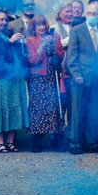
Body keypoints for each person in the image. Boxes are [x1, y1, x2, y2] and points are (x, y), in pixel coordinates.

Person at [66, 0, 98, 154]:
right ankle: (75, 143)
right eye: (89, 13)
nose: (92, 15)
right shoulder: (76, 30)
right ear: (86, 14)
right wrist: (76, 74)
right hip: (80, 76)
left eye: (95, 13)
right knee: (77, 111)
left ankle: (92, 142)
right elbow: (71, 56)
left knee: (96, 110)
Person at [0, 8, 29, 153]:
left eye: (5, 20)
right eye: (1, 19)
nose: (4, 22)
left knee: (14, 106)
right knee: (1, 108)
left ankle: (10, 140)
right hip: (1, 77)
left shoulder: (6, 34)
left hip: (15, 75)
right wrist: (11, 42)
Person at [26, 16, 64, 152]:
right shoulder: (30, 40)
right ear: (34, 28)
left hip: (51, 77)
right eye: (38, 25)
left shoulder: (55, 36)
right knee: (38, 108)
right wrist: (42, 45)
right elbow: (33, 59)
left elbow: (60, 54)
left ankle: (56, 138)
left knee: (53, 106)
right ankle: (37, 140)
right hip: (37, 78)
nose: (41, 28)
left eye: (43, 25)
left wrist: (54, 48)